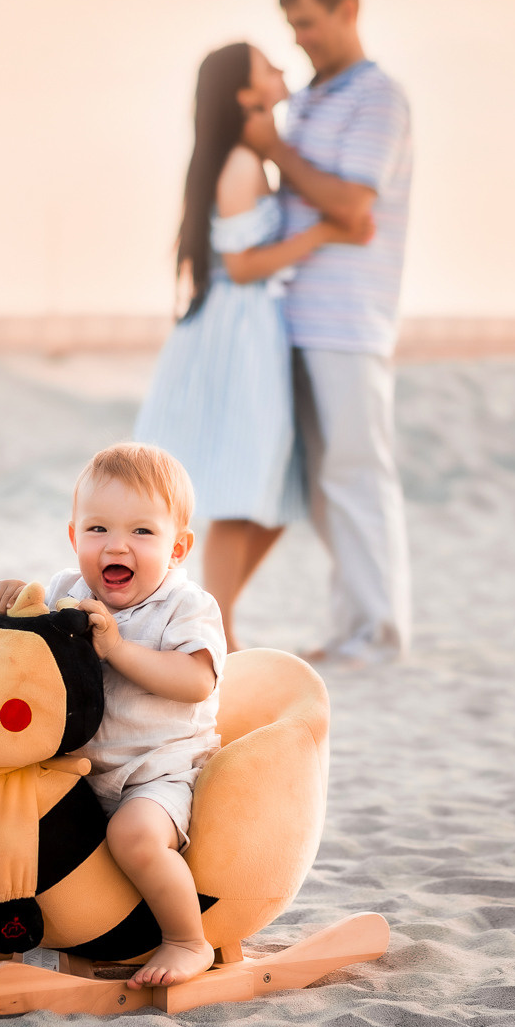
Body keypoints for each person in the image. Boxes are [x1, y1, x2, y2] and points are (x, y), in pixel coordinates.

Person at [0, 442, 227, 989]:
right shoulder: (64, 592)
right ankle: (4, 920)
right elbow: (24, 650)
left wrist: (120, 650)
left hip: (157, 773)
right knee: (9, 817)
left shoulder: (186, 605)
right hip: (78, 773)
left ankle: (186, 939)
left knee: (134, 836)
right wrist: (9, 604)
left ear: (178, 548)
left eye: (142, 533)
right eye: (98, 530)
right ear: (74, 536)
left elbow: (196, 680)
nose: (116, 546)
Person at [135, 41, 372, 649]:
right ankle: (222, 633)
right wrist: (324, 230)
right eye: (268, 68)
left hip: (245, 333)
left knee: (265, 493)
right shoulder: (241, 163)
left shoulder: (245, 157)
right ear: (245, 95)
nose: (281, 72)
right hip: (237, 335)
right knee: (243, 494)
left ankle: (213, 619)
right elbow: (241, 265)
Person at [242, 0, 413, 665]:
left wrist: (275, 147)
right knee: (323, 485)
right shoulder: (309, 98)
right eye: (291, 26)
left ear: (347, 10)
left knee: (357, 474)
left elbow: (350, 202)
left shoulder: (379, 98)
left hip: (350, 318)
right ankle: (351, 630)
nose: (300, 39)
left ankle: (380, 633)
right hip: (295, 315)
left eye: (308, 22)